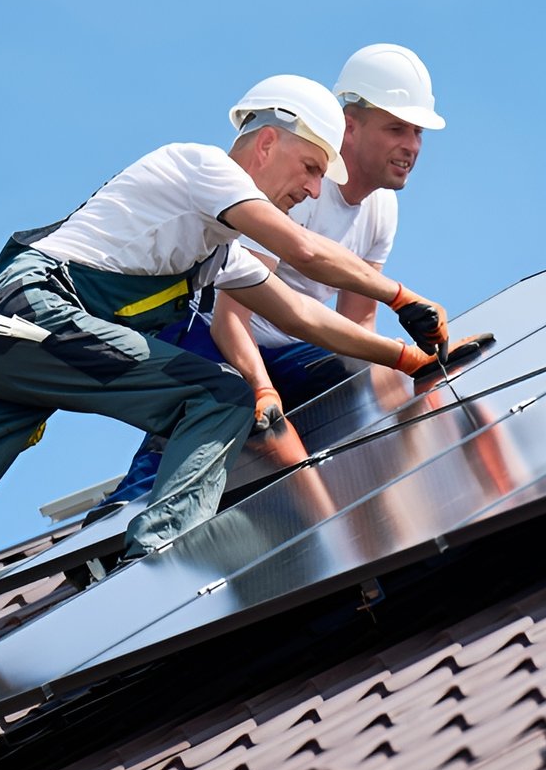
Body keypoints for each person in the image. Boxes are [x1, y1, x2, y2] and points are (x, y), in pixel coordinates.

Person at [0, 74, 454, 754]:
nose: (312, 189)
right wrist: (400, 296)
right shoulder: (201, 167)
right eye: (309, 167)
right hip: (32, 315)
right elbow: (304, 251)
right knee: (220, 394)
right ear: (267, 142)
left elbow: (302, 314)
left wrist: (405, 358)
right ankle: (158, 566)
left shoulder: (216, 252)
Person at [102, 43, 444, 503]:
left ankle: (315, 486)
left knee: (349, 379)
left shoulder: (381, 209)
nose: (412, 146)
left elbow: (356, 324)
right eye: (396, 128)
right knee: (217, 404)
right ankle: (125, 509)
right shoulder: (294, 186)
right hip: (210, 333)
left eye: (418, 132)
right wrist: (261, 387)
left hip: (288, 345)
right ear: (350, 126)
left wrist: (407, 376)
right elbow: (236, 314)